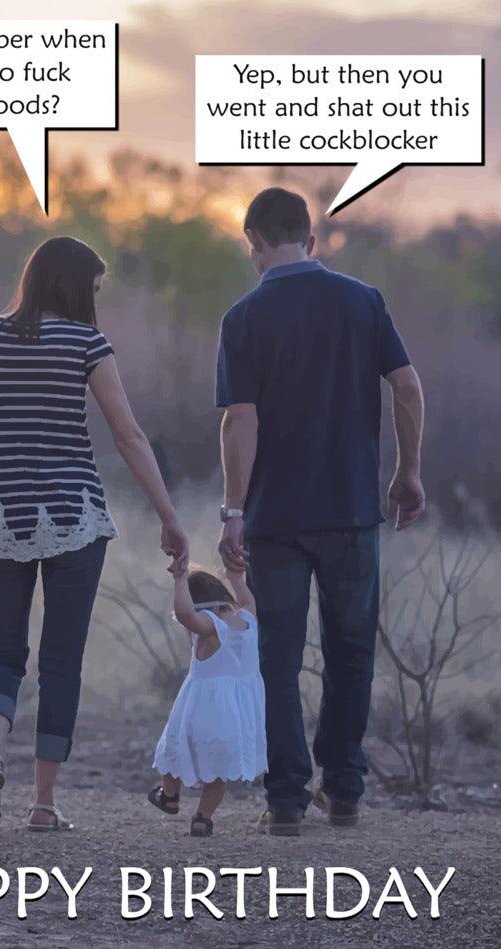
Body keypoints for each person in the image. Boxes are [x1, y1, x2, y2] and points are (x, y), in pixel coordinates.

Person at [0, 236, 188, 829]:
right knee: (62, 660)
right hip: (74, 516)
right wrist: (169, 516)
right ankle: (44, 803)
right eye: (94, 289)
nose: (95, 301)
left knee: (2, 650)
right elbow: (129, 437)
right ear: (74, 287)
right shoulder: (86, 343)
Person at [216, 188, 425, 836]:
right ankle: (344, 790)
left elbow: (238, 422)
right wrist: (407, 471)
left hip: (275, 517)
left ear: (252, 243)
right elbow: (408, 386)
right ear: (311, 240)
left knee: (277, 657)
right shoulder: (362, 302)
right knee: (351, 650)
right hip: (352, 510)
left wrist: (232, 510)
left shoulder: (244, 317)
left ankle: (284, 801)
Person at [148, 567, 267, 837]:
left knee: (173, 754)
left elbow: (185, 615)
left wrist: (180, 580)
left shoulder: (210, 628)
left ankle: (169, 796)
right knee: (217, 774)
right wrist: (236, 576)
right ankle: (202, 818)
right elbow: (248, 601)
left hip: (200, 713)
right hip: (235, 717)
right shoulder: (244, 621)